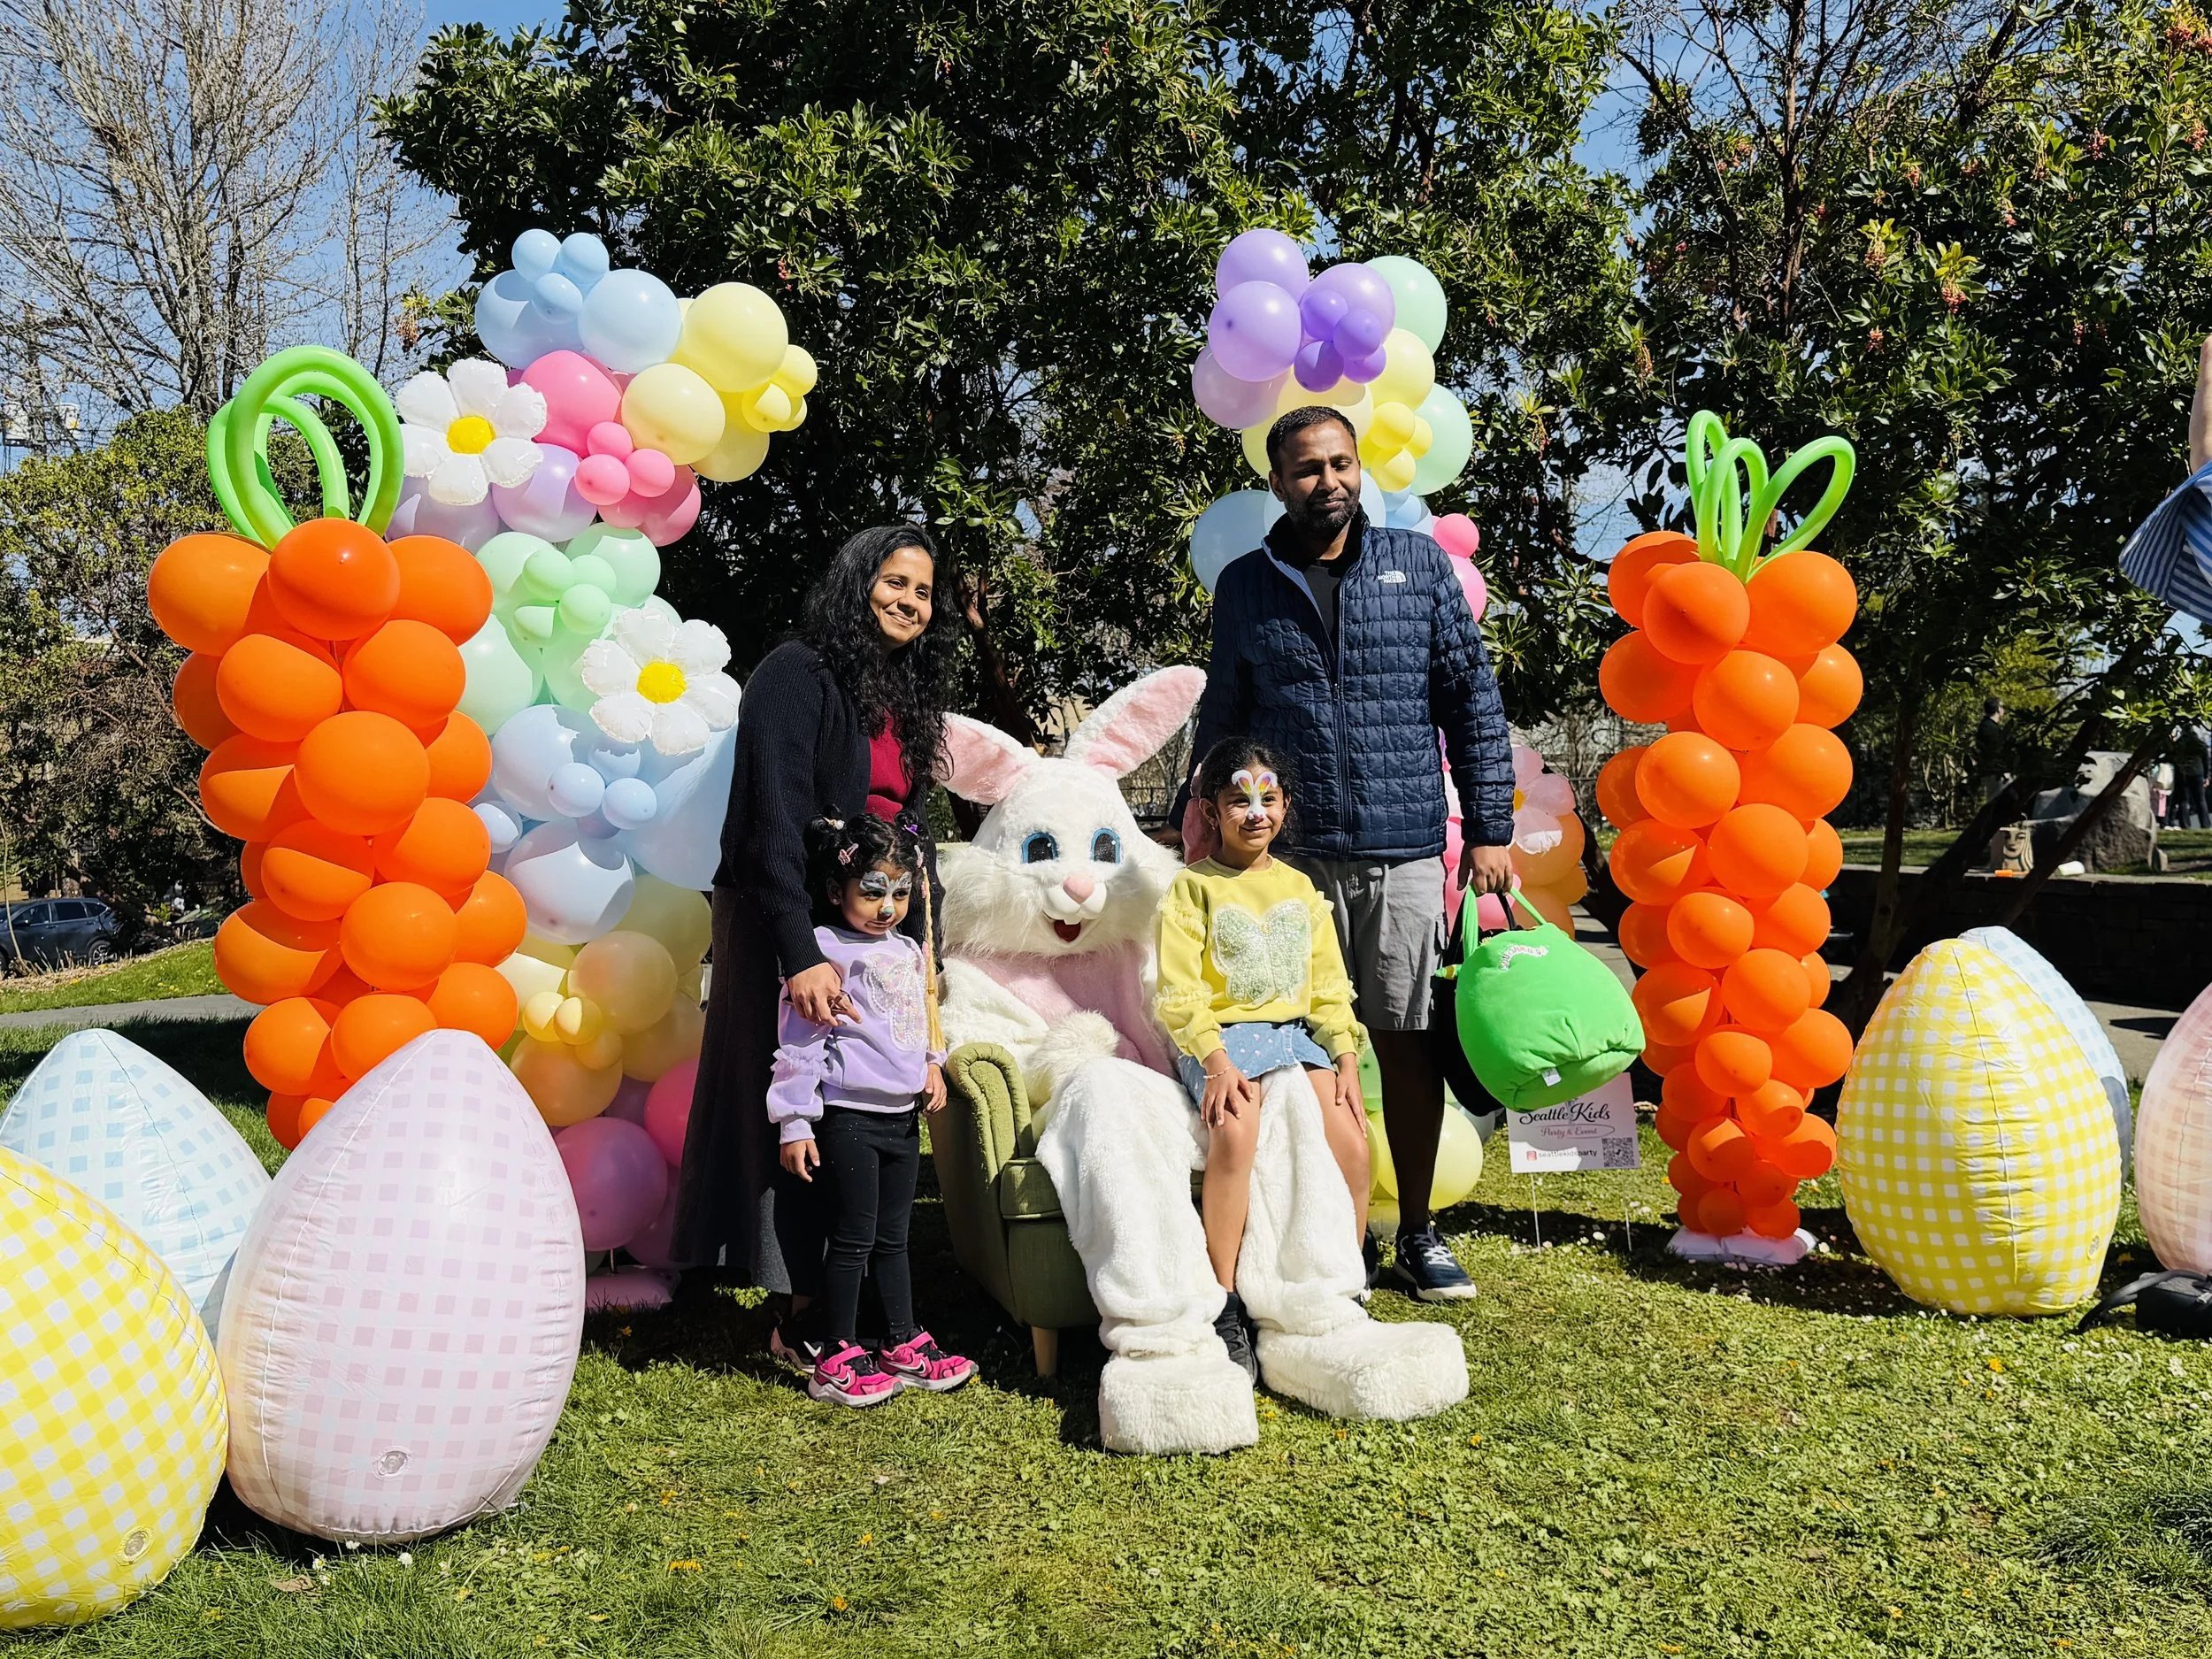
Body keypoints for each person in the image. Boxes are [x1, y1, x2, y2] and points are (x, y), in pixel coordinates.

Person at [1179, 404, 1515, 1302]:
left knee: (1403, 1043)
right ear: (1277, 483)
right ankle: (1334, 1230)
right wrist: (1198, 813)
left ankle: (1417, 1231)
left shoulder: (1416, 568)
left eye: (1339, 464)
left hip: (1402, 849)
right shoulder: (1248, 586)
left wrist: (1488, 827)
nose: (1326, 481)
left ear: (1358, 467)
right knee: (1298, 1047)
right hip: (1284, 862)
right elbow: (1225, 715)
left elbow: (1471, 701)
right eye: (1305, 470)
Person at [671, 525, 953, 1364]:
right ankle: (795, 1310)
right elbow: (770, 823)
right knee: (793, 1097)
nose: (909, 600)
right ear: (856, 579)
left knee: (860, 1097)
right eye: (893, 581)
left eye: (923, 591)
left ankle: (846, 1289)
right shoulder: (796, 674)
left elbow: (904, 817)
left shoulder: (902, 691)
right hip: (781, 911)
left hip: (872, 922)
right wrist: (800, 953)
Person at [1155, 737, 1369, 1379]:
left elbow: (1329, 984)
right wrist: (1215, 1062)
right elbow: (1180, 990)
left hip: (1294, 1035)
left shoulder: (1302, 889)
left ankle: (1346, 1279)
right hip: (1219, 1038)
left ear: (1285, 805)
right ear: (1211, 810)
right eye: (1237, 799)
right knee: (1237, 1131)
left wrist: (1346, 1056)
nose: (1255, 812)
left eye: (1268, 798)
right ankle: (1224, 1297)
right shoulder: (1191, 889)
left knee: (1354, 1141)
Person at [768, 814, 975, 1405]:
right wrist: (795, 1119)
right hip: (849, 1119)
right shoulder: (824, 951)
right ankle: (834, 1353)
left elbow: (919, 1018)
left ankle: (900, 1339)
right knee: (853, 1238)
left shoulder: (910, 949)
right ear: (838, 892)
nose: (889, 905)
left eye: (902, 891)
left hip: (901, 1120)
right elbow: (798, 1040)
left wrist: (932, 1062)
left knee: (894, 1237)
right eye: (874, 890)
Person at [1974, 697, 2010, 805]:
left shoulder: (1986, 726)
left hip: (1994, 771)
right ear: (1998, 709)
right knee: (1998, 801)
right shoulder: (1989, 728)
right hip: (1995, 772)